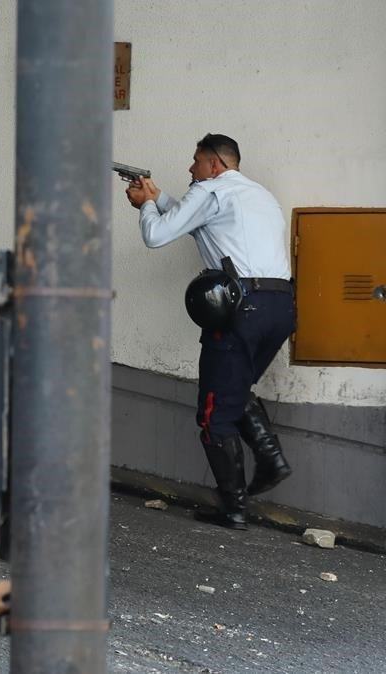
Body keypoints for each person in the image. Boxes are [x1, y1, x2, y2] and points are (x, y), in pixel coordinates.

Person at [125, 133, 294, 530]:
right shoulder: (259, 195)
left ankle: (235, 508)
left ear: (215, 165)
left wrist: (145, 204)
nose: (191, 169)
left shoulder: (210, 191)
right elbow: (192, 218)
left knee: (213, 413)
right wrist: (158, 196)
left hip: (241, 309)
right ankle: (271, 461)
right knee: (234, 390)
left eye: (196, 161)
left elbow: (156, 235)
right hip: (280, 307)